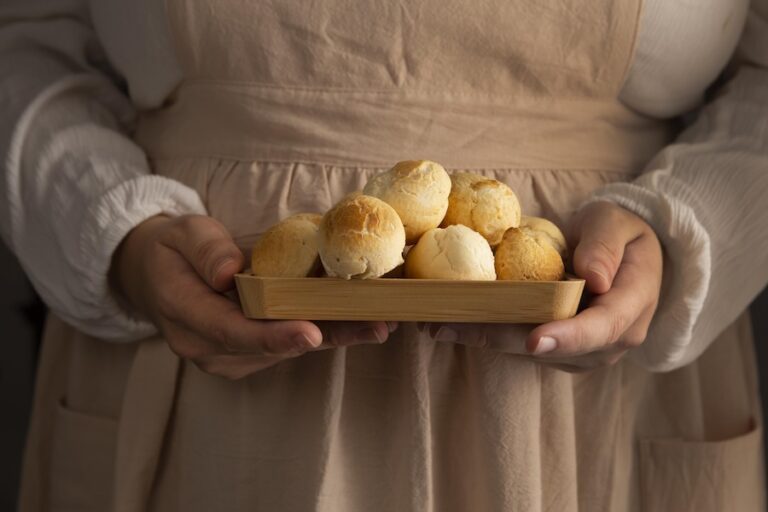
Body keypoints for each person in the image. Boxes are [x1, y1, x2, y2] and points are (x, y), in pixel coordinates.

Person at [2, 0, 767, 510]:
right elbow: (25, 40)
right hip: (199, 387)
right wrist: (115, 232)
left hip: (598, 409)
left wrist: (687, 229)